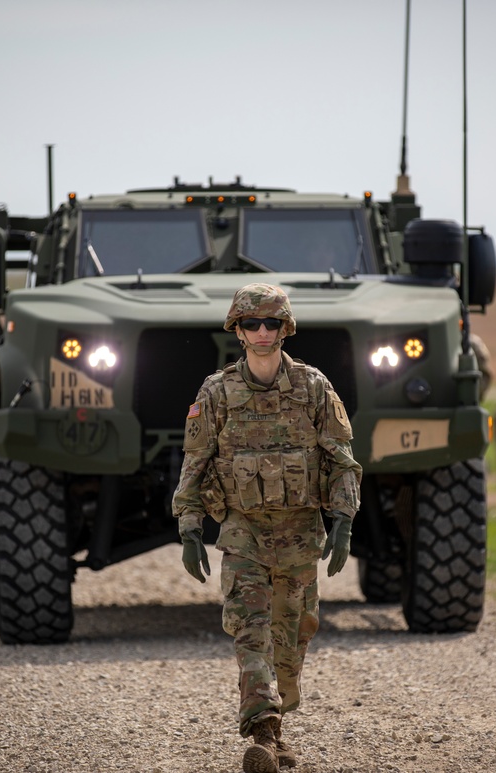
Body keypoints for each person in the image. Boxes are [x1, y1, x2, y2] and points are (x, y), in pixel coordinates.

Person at [171, 283, 362, 773]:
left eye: (270, 323)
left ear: (285, 328)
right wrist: (190, 527)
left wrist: (342, 521)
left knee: (292, 640)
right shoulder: (216, 393)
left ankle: (279, 720)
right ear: (237, 329)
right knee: (249, 634)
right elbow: (195, 463)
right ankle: (265, 733)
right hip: (244, 533)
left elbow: (341, 461)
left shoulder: (314, 387)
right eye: (251, 323)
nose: (261, 332)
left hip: (301, 537)